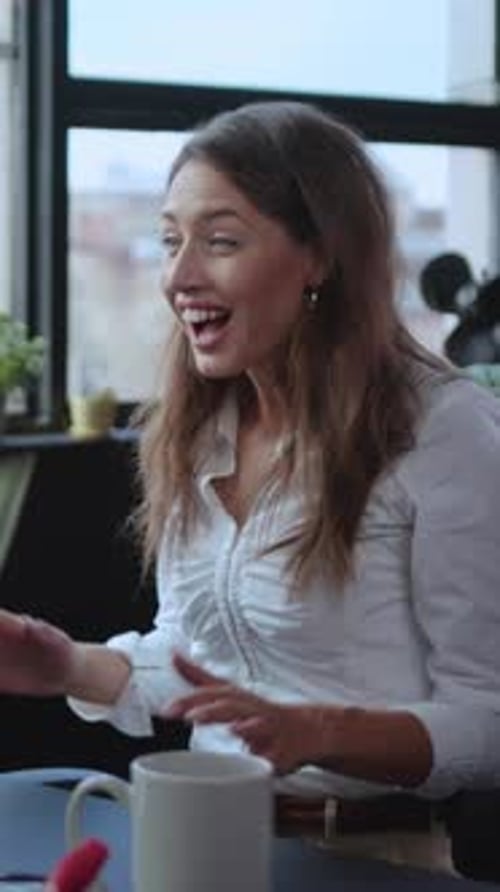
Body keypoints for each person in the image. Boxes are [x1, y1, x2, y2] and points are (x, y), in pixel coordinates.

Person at [1, 101, 500, 872]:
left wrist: (319, 730)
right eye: (170, 242)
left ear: (322, 257)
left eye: (221, 241)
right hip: (209, 832)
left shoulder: (443, 428)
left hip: (376, 858)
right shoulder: (201, 428)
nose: (177, 276)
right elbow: (192, 657)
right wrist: (69, 665)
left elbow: (487, 721)